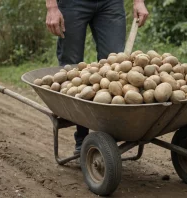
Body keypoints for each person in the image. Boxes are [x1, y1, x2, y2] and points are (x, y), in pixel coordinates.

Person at [45, 0, 148, 154]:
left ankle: (108, 137)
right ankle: (82, 140)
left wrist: (139, 2)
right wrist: (52, 7)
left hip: (110, 3)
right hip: (72, 3)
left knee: (116, 67)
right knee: (72, 71)